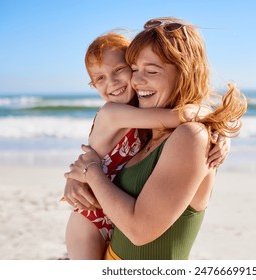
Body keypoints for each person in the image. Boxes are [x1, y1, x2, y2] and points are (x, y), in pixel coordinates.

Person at [64, 16, 246, 260]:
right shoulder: (143, 127)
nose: (137, 81)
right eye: (135, 69)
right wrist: (77, 178)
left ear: (185, 73)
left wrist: (92, 174)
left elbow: (140, 232)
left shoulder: (190, 135)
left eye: (150, 70)